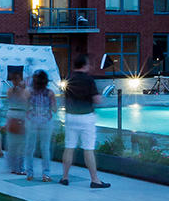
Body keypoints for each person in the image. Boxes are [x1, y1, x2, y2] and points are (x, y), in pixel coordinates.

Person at [59, 53, 109, 188]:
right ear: (85, 65)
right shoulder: (88, 80)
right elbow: (96, 100)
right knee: (88, 149)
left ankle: (65, 177)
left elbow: (65, 97)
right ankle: (94, 179)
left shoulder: (69, 78)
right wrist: (102, 97)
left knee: (69, 147)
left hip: (70, 116)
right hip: (86, 117)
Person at [25, 69, 57, 181]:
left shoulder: (29, 92)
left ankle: (29, 173)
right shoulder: (50, 93)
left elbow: (25, 106)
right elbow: (54, 109)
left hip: (32, 121)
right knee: (45, 148)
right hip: (46, 122)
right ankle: (46, 174)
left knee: (30, 148)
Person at [3, 70, 28, 176]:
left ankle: (13, 167)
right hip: (21, 116)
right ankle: (20, 168)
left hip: (11, 115)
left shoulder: (9, 91)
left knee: (12, 144)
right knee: (21, 145)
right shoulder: (25, 92)